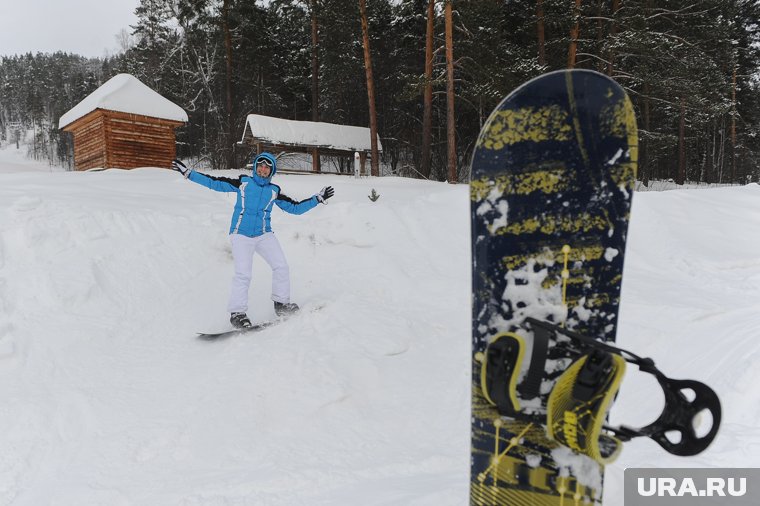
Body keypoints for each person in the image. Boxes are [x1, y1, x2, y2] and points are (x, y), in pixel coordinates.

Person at [172, 153, 334, 329]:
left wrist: (317, 199)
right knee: (243, 274)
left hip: (264, 234)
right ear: (256, 167)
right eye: (260, 165)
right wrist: (189, 174)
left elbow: (295, 208)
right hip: (240, 234)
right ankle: (237, 313)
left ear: (271, 171)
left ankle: (281, 304)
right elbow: (214, 182)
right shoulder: (243, 183)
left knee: (281, 266)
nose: (263, 169)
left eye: (267, 167)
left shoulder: (274, 191)